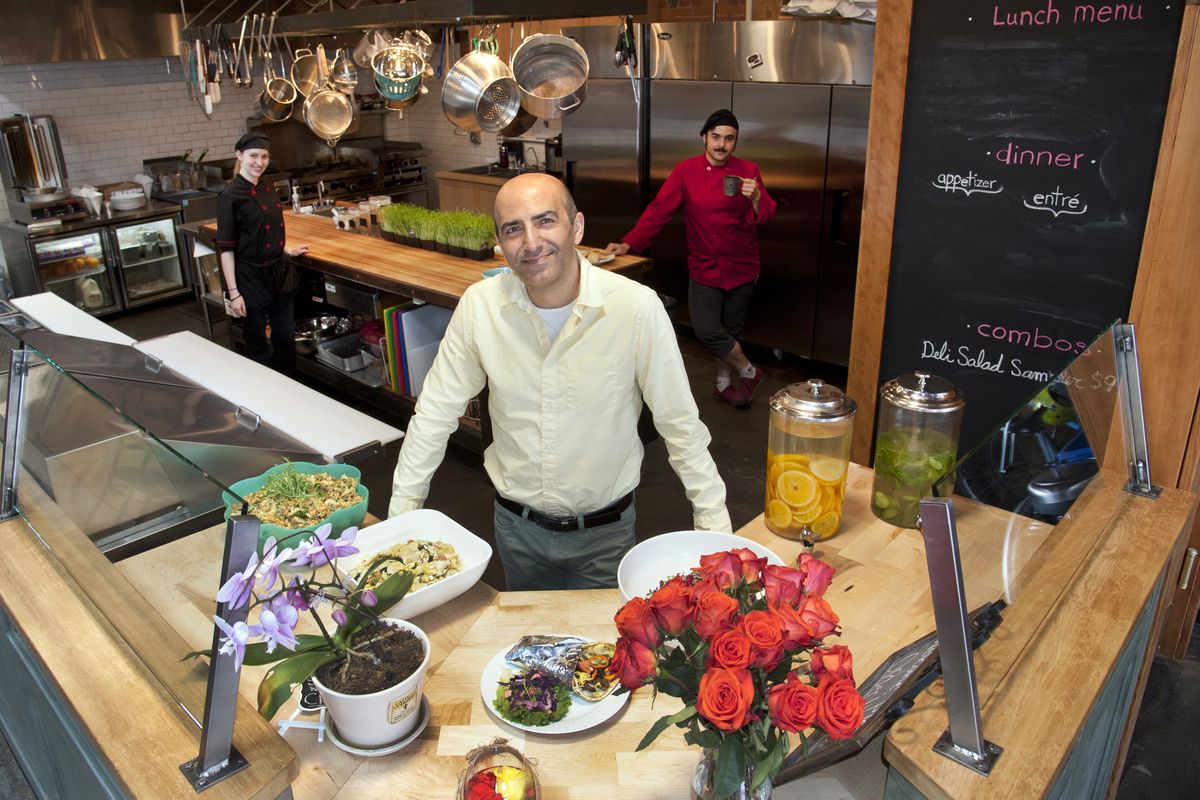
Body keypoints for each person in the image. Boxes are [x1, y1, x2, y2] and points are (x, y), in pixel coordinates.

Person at [388, 173, 731, 591]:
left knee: (605, 650)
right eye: (514, 229)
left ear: (577, 227)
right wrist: (400, 521)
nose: (531, 243)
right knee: (527, 648)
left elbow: (680, 425)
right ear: (500, 240)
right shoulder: (481, 308)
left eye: (545, 221)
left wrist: (718, 535)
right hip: (517, 532)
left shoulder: (635, 309)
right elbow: (435, 413)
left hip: (607, 536)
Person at [607, 108, 777, 409]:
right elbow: (660, 211)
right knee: (707, 330)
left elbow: (766, 217)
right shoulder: (686, 172)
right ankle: (750, 372)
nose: (721, 144)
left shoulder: (748, 171)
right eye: (716, 137)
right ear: (704, 137)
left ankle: (724, 385)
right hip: (705, 265)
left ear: (735, 142)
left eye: (729, 139)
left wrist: (757, 198)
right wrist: (629, 243)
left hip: (743, 265)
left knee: (731, 330)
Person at [216, 132, 309, 374]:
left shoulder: (267, 188)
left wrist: (286, 249)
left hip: (278, 273)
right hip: (249, 279)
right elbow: (226, 248)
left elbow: (265, 232)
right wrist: (234, 294)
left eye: (264, 156)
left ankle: (289, 386)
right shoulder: (230, 195)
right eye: (253, 156)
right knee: (256, 342)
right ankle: (264, 394)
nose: (259, 162)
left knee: (285, 338)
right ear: (239, 156)